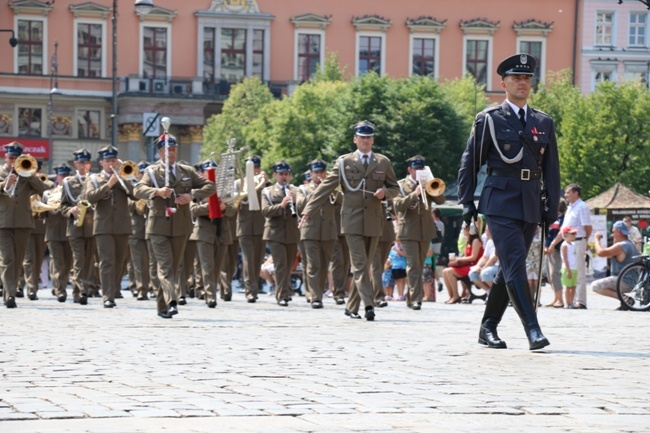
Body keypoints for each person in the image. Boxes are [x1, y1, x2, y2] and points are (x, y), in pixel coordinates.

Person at [458, 53, 560, 350]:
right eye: (516, 78)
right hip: (499, 200)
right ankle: (533, 329)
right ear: (504, 83)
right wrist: (467, 203)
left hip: (530, 201)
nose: (522, 83)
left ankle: (487, 327)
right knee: (515, 263)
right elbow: (470, 164)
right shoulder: (489, 119)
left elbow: (551, 170)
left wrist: (551, 207)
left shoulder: (543, 121)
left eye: (527, 78)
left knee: (507, 268)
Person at [300, 120, 400, 321]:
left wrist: (385, 193)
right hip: (352, 221)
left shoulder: (382, 162)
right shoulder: (344, 162)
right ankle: (369, 305)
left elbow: (395, 188)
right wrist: (308, 211)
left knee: (366, 263)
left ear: (373, 140)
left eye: (369, 137)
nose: (365, 140)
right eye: (362, 137)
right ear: (355, 140)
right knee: (361, 265)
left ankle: (351, 307)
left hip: (374, 221)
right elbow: (324, 188)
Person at [134, 132, 215, 319]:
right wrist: (157, 192)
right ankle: (172, 300)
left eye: (173, 149)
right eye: (167, 150)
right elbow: (138, 189)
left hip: (181, 225)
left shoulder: (186, 171)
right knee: (165, 267)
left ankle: (163, 308)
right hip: (158, 226)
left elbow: (211, 186)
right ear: (160, 152)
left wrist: (192, 195)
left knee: (176, 266)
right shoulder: (152, 172)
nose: (171, 153)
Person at [392, 155, 446, 310]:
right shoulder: (401, 185)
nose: (419, 171)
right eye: (417, 169)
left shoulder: (428, 184)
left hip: (425, 230)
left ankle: (410, 297)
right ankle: (417, 300)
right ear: (410, 170)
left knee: (420, 265)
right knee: (413, 265)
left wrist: (432, 186)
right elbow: (398, 206)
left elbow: (441, 200)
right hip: (408, 230)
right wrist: (415, 193)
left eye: (422, 168)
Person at [85, 145, 135, 308]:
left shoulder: (123, 178)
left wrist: (122, 179)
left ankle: (113, 289)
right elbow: (90, 198)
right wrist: (109, 184)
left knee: (119, 261)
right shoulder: (93, 179)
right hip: (103, 226)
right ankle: (108, 295)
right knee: (107, 261)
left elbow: (135, 195)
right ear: (102, 163)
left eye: (114, 160)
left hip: (122, 225)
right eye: (108, 161)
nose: (111, 164)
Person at [0, 142, 48, 308]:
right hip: (3, 222)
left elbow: (43, 190)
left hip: (23, 222)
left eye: (16, 158)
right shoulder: (1, 172)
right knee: (8, 259)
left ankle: (8, 292)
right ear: (5, 157)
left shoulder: (27, 173)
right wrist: (5, 183)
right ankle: (10, 294)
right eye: (10, 158)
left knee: (18, 259)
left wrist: (30, 175)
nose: (13, 161)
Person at [191, 159, 235, 309]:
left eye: (215, 171)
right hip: (204, 232)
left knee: (216, 266)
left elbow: (234, 210)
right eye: (208, 171)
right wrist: (211, 206)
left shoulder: (226, 189)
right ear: (202, 173)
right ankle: (211, 296)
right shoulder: (196, 189)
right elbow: (193, 210)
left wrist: (224, 207)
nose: (212, 174)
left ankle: (209, 290)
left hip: (222, 232)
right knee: (207, 265)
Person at [296, 159, 337, 309]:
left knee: (324, 265)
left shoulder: (332, 188)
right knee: (313, 265)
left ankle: (318, 292)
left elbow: (341, 202)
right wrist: (318, 192)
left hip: (328, 231)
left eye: (321, 172)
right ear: (311, 174)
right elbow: (300, 205)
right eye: (316, 172)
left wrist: (329, 188)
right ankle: (315, 297)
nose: (319, 175)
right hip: (310, 230)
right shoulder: (303, 189)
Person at [261, 160, 300, 307]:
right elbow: (265, 211)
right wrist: (281, 205)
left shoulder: (295, 190)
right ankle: (282, 295)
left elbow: (304, 209)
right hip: (274, 232)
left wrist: (296, 202)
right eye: (281, 174)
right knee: (280, 265)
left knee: (289, 265)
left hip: (291, 232)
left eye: (286, 174)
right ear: (275, 175)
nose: (284, 177)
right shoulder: (267, 192)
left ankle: (286, 290)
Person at [60, 148, 96, 305]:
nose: (84, 165)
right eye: (81, 162)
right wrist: (71, 210)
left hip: (92, 226)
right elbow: (62, 206)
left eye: (87, 162)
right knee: (79, 260)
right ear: (76, 163)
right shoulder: (69, 182)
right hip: (75, 227)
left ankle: (79, 290)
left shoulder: (95, 180)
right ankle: (81, 291)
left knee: (88, 262)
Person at [235, 155, 271, 303]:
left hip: (260, 226)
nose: (254, 170)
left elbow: (273, 197)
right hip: (244, 226)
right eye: (251, 168)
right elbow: (233, 204)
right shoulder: (238, 184)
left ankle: (254, 287)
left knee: (257, 259)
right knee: (248, 258)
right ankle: (250, 290)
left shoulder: (264, 184)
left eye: (256, 167)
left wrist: (267, 182)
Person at [549, 184, 591, 309]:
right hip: (568, 242)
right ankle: (571, 301)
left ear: (575, 193)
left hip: (578, 240)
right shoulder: (570, 208)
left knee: (579, 271)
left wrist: (584, 240)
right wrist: (553, 243)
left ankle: (581, 301)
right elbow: (563, 229)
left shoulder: (582, 207)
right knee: (570, 271)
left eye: (568, 193)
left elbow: (587, 226)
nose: (565, 195)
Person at [592, 220, 640, 310]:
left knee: (595, 286)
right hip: (631, 281)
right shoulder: (629, 244)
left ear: (619, 232)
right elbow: (610, 254)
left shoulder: (622, 246)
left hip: (624, 281)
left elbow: (601, 253)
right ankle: (624, 301)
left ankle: (625, 299)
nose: (612, 234)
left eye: (613, 232)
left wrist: (596, 239)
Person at [44, 164, 73, 303]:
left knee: (67, 264)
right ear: (57, 177)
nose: (64, 178)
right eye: (62, 176)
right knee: (57, 262)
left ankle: (58, 285)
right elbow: (42, 212)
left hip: (69, 231)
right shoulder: (48, 193)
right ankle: (60, 290)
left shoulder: (73, 192)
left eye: (67, 176)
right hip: (53, 231)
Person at [443, 221, 483, 303]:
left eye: (464, 229)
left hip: (474, 266)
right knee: (445, 271)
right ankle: (451, 295)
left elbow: (473, 257)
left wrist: (458, 259)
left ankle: (456, 295)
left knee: (450, 272)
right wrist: (457, 259)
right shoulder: (468, 241)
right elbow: (465, 255)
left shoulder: (476, 241)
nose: (463, 231)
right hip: (468, 265)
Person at [544, 198, 567, 308]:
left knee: (555, 274)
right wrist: (546, 246)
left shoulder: (563, 219)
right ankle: (555, 297)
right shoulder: (554, 219)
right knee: (550, 274)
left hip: (557, 249)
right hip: (550, 249)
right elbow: (549, 234)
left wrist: (552, 246)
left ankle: (560, 299)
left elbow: (560, 235)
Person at [468, 224, 499, 294]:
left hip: (499, 265)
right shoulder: (489, 242)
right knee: (472, 273)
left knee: (485, 273)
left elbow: (494, 258)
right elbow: (485, 257)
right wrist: (478, 266)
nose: (486, 233)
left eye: (487, 230)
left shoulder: (499, 241)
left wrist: (483, 268)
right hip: (490, 265)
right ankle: (490, 292)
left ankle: (499, 293)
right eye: (485, 230)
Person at [560, 226, 579, 308]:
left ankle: (572, 302)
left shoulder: (573, 244)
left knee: (573, 286)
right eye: (572, 234)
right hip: (567, 268)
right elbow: (565, 258)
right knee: (568, 287)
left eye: (575, 234)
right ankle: (568, 303)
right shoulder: (564, 245)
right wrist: (568, 270)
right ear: (566, 235)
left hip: (574, 268)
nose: (574, 235)